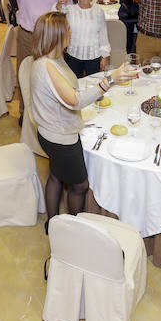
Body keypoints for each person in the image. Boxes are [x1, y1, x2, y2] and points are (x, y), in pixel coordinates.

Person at [30, 12, 135, 233]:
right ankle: (74, 232)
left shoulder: (53, 58)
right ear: (57, 34)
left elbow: (69, 90)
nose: (71, 31)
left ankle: (52, 223)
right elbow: (75, 101)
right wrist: (110, 80)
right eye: (67, 28)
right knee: (80, 185)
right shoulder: (47, 66)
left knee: (56, 175)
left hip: (49, 131)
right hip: (60, 137)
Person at [59, 0, 110, 77]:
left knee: (93, 86)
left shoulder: (98, 12)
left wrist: (104, 57)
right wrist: (59, 4)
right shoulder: (69, 10)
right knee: (74, 85)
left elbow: (103, 35)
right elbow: (56, 13)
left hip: (93, 56)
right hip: (72, 56)